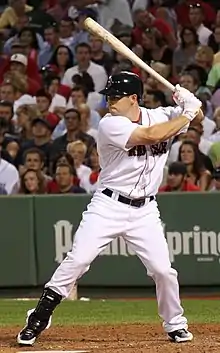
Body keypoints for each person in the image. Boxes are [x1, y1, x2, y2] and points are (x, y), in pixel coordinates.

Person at [17, 71, 202, 346]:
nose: (111, 101)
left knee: (163, 270)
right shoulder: (110, 124)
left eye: (116, 96)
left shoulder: (161, 115)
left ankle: (175, 323)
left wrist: (190, 102)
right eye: (109, 96)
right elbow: (151, 135)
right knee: (78, 259)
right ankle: (39, 315)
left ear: (133, 98)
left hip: (145, 210)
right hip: (108, 204)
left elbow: (193, 118)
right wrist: (186, 114)